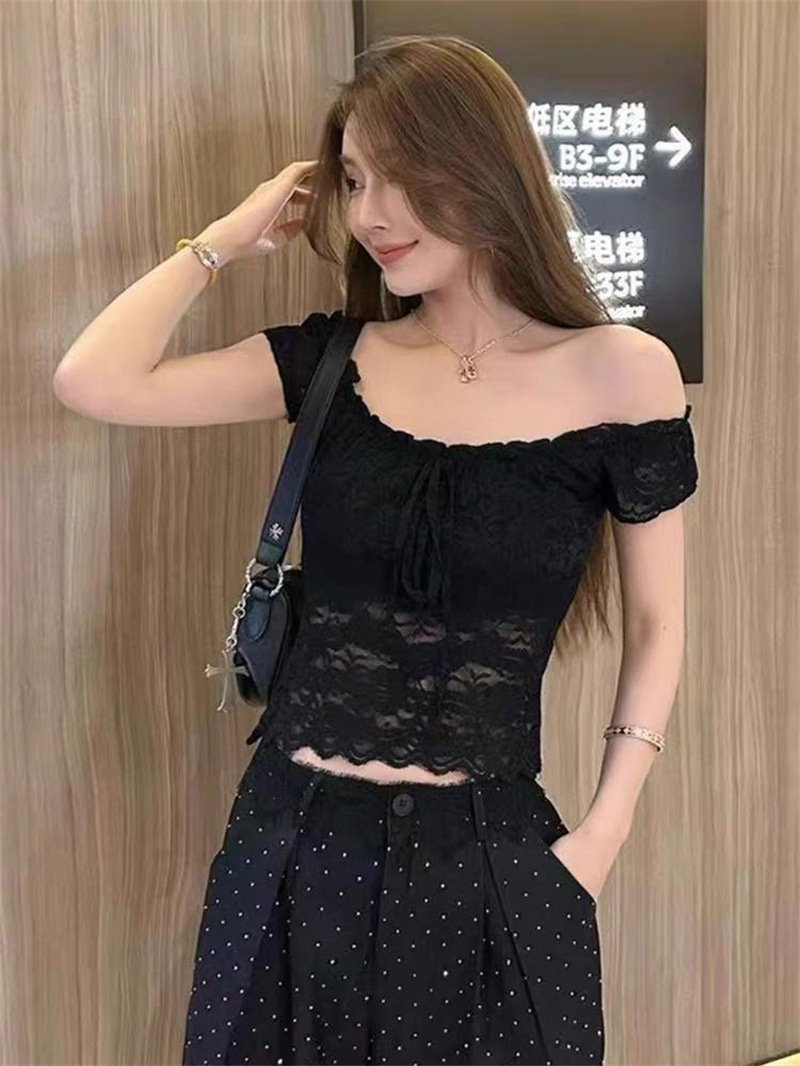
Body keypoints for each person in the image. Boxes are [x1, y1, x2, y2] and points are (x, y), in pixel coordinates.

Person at [53, 33, 699, 1066]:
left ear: (484, 168)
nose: (369, 214)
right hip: (288, 845)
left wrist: (603, 833)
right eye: (353, 180)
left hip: (491, 860)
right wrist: (220, 241)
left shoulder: (623, 373)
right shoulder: (334, 361)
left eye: (400, 176)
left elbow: (658, 623)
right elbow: (93, 380)